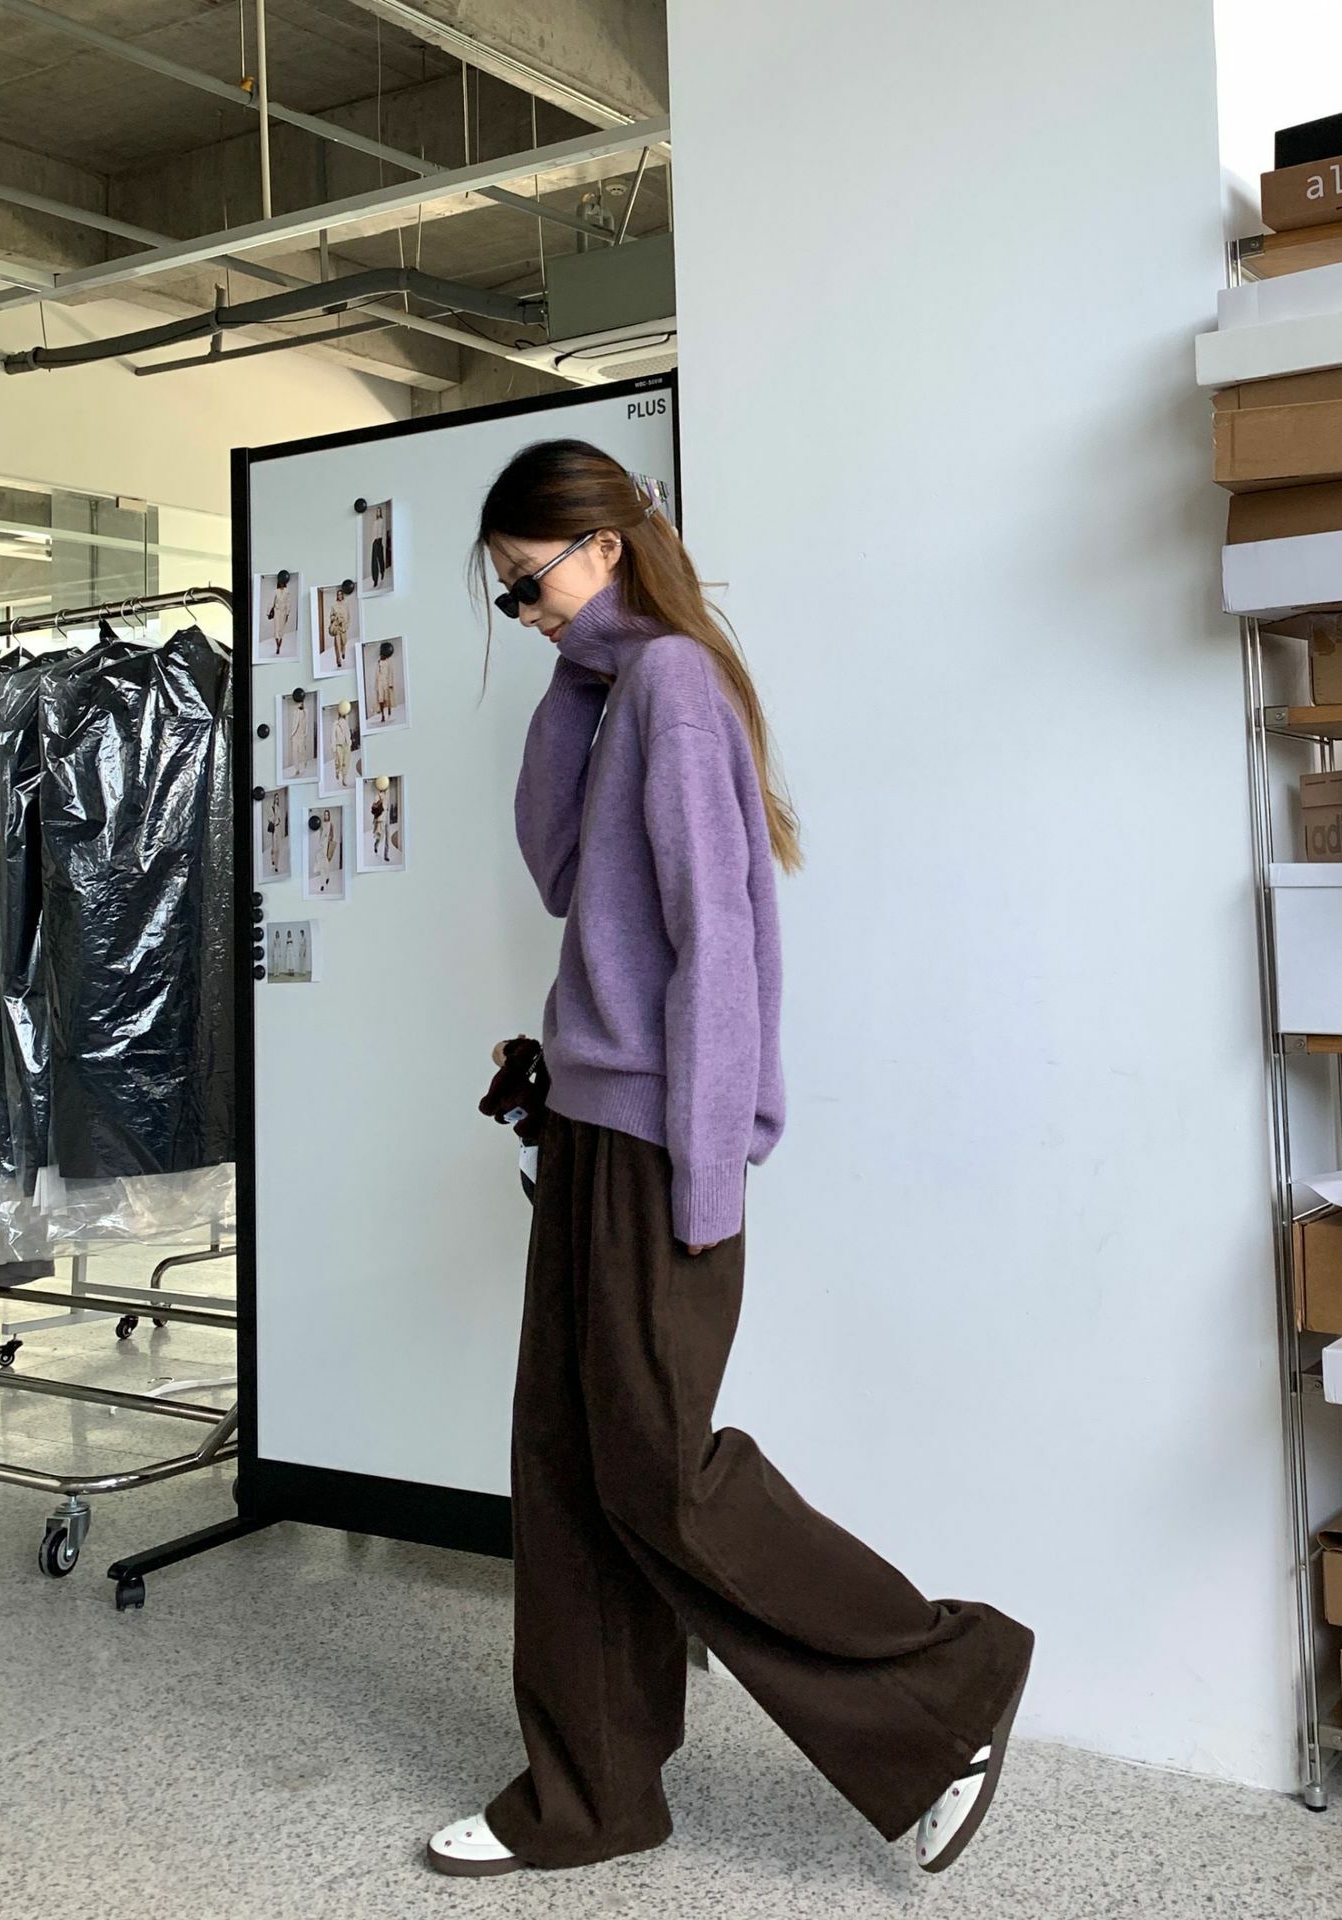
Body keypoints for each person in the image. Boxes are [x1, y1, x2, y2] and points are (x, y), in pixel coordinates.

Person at [427, 441, 1034, 1881]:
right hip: (591, 1128)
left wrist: (708, 1170)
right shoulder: (622, 687)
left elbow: (722, 949)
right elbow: (559, 869)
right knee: (567, 1463)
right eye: (508, 596)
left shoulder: (678, 691)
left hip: (658, 1143)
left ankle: (945, 1687)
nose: (526, 615)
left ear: (606, 548)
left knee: (664, 1475)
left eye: (530, 584)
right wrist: (576, 670)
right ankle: (592, 1794)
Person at [267, 570, 294, 656]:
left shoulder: (287, 591)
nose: (281, 583)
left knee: (282, 630)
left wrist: (287, 614)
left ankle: (279, 647)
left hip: (284, 612)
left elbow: (288, 603)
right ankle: (277, 646)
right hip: (277, 611)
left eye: (283, 582)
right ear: (279, 582)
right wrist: (268, 612)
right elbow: (271, 601)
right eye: (280, 582)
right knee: (276, 629)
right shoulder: (275, 591)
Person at [328, 589, 351, 669]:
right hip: (337, 627)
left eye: (341, 594)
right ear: (337, 596)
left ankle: (343, 651)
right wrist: (335, 617)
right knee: (337, 644)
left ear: (342, 595)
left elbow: (349, 617)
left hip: (343, 627)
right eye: (338, 594)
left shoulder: (346, 604)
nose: (339, 596)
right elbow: (331, 616)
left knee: (344, 642)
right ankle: (338, 660)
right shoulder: (334, 605)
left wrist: (346, 626)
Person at [374, 641, 397, 723]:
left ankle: (389, 709)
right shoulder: (378, 662)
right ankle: (383, 715)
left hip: (386, 682)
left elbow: (391, 673)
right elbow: (376, 674)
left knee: (388, 698)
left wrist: (390, 683)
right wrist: (376, 685)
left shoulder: (388, 662)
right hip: (380, 682)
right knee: (381, 699)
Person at [331, 706, 353, 787]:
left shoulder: (346, 722)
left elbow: (348, 734)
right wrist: (333, 747)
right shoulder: (335, 724)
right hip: (338, 745)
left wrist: (349, 743)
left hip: (346, 745)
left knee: (345, 762)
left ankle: (344, 779)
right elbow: (333, 736)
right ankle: (337, 771)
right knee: (340, 762)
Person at [370, 506, 387, 590]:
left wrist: (381, 541)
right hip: (374, 542)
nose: (378, 513)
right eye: (377, 511)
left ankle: (382, 572)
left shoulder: (381, 521)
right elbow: (373, 532)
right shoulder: (375, 522)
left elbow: (381, 532)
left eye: (379, 511)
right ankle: (375, 580)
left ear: (381, 512)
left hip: (379, 541)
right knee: (374, 561)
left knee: (380, 559)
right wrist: (373, 541)